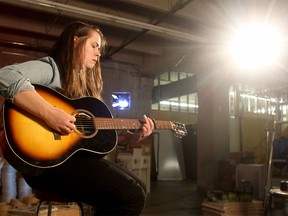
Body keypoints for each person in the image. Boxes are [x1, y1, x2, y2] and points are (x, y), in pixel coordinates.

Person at [0, 21, 154, 215]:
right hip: (45, 165)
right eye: (94, 45)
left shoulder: (85, 89)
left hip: (69, 160)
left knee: (139, 188)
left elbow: (83, 142)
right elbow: (5, 75)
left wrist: (127, 139)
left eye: (99, 49)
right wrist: (50, 113)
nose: (98, 53)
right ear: (75, 41)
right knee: (131, 196)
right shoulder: (53, 69)